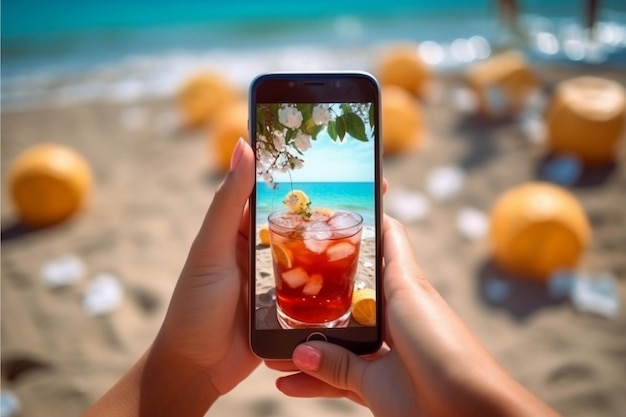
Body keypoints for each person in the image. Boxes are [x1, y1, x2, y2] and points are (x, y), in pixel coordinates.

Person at [83, 138, 561, 417]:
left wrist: (188, 368)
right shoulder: (285, 227)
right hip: (292, 313)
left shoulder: (345, 228)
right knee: (301, 289)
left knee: (327, 283)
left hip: (337, 313)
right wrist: (187, 364)